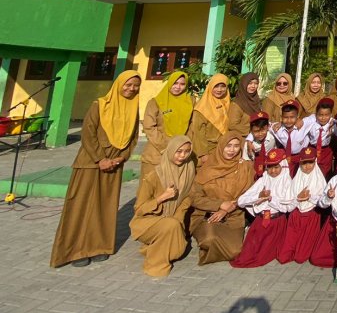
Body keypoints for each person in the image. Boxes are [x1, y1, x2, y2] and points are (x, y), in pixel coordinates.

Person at [51, 71, 141, 268]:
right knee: (81, 207)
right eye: (128, 84)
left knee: (105, 207)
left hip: (114, 165)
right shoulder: (100, 104)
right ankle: (75, 250)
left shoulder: (134, 108)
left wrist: (120, 158)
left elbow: (133, 137)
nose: (131, 89)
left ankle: (98, 247)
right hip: (90, 163)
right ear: (118, 84)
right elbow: (88, 133)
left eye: (135, 86)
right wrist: (101, 159)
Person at [129, 134, 195, 277]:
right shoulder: (154, 175)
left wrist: (178, 218)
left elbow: (187, 198)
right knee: (170, 227)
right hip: (146, 222)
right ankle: (155, 266)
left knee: (178, 249)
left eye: (186, 151)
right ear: (170, 150)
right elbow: (139, 209)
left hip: (172, 220)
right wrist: (162, 197)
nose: (182, 156)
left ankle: (152, 247)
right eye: (178, 151)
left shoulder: (189, 170)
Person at [189, 131, 255, 265]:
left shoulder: (246, 166)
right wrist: (219, 205)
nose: (232, 150)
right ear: (221, 146)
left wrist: (226, 209)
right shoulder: (207, 167)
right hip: (207, 214)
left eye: (236, 146)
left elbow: (249, 193)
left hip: (233, 215)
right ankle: (208, 246)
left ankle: (216, 248)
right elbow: (195, 197)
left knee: (234, 251)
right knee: (209, 238)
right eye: (228, 145)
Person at [231, 147, 293, 268]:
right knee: (247, 254)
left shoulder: (287, 182)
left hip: (276, 223)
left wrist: (271, 199)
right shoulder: (263, 179)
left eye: (276, 167)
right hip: (260, 222)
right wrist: (259, 196)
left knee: (262, 255)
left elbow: (288, 207)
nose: (273, 171)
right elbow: (241, 200)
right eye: (270, 167)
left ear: (283, 166)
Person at [140, 70, 193, 185]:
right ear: (169, 83)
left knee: (174, 190)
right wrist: (166, 147)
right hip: (157, 152)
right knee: (150, 189)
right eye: (175, 83)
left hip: (180, 154)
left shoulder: (190, 102)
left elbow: (192, 127)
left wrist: (185, 148)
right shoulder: (155, 102)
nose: (178, 87)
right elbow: (149, 127)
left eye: (182, 84)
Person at [277, 146, 326, 264]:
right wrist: (298, 198)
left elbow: (323, 201)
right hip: (296, 216)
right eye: (304, 163)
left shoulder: (319, 178)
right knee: (283, 256)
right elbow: (288, 202)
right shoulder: (296, 179)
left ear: (315, 162)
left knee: (300, 257)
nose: (307, 166)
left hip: (311, 216)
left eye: (310, 162)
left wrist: (309, 197)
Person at [190, 74, 231, 163]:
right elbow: (198, 133)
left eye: (223, 86)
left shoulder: (227, 102)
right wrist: (203, 154)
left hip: (225, 148)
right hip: (208, 150)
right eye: (216, 86)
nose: (219, 90)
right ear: (210, 86)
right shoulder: (202, 107)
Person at [302, 98, 336, 177]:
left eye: (326, 115)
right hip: (312, 148)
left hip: (326, 150)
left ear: (331, 115)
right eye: (320, 115)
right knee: (311, 170)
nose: (323, 118)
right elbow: (301, 122)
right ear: (316, 114)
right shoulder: (311, 121)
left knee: (325, 172)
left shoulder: (333, 122)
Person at [273, 102, 309, 174]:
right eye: (285, 117)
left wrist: (300, 120)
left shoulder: (303, 125)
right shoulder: (277, 128)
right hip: (286, 157)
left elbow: (314, 117)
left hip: (302, 157)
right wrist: (249, 139)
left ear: (297, 116)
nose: (289, 120)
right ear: (281, 117)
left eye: (292, 117)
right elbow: (264, 127)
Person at [243, 111, 277, 177]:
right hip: (254, 170)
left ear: (267, 127)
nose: (260, 134)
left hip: (270, 168)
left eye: (263, 130)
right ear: (251, 131)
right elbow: (246, 161)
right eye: (256, 131)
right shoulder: (249, 145)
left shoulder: (272, 137)